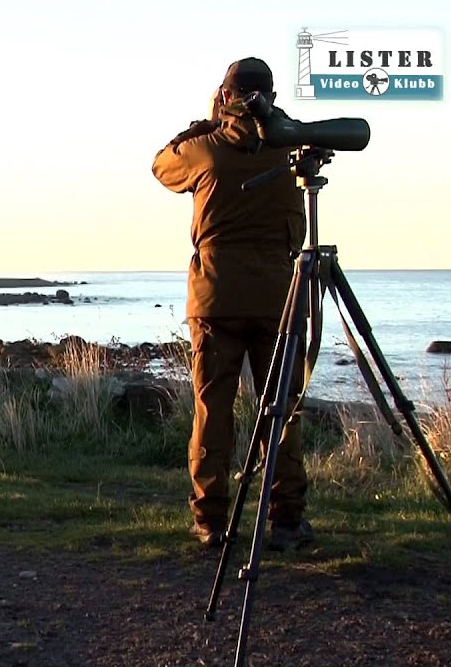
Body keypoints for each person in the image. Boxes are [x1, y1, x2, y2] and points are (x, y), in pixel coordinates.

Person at [151, 58, 314, 551]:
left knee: (212, 411)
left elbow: (161, 163)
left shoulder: (206, 150)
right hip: (277, 301)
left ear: (225, 97)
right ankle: (286, 519)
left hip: (215, 299)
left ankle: (211, 521)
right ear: (271, 96)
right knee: (280, 410)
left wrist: (209, 119)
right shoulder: (289, 147)